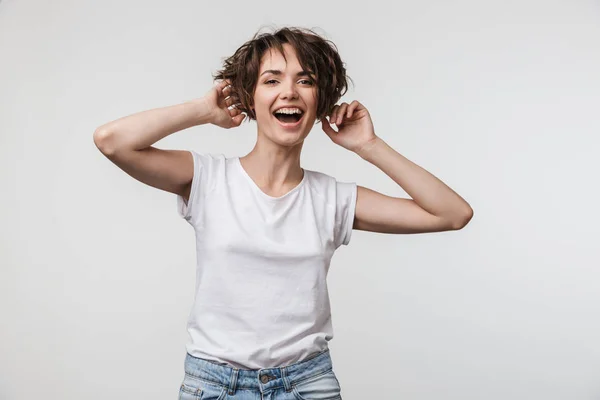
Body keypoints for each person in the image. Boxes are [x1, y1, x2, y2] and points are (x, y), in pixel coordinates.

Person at [93, 26, 473, 400]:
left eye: (305, 80)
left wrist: (369, 145)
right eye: (271, 80)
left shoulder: (333, 199)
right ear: (250, 97)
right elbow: (112, 142)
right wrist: (203, 111)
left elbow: (452, 214)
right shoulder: (208, 179)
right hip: (212, 385)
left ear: (320, 100)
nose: (289, 91)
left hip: (307, 385)